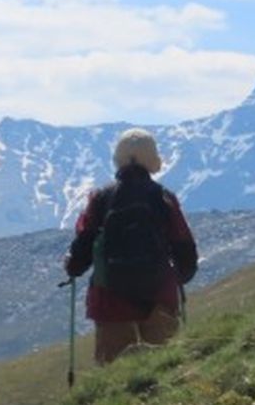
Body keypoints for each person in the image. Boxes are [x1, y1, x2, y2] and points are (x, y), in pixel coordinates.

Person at [65, 128, 199, 364]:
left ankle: (112, 401)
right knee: (166, 366)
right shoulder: (164, 198)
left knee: (113, 371)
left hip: (110, 298)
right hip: (159, 294)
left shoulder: (101, 198)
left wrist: (73, 267)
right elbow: (183, 244)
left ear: (118, 159)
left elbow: (84, 241)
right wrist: (180, 276)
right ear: (153, 159)